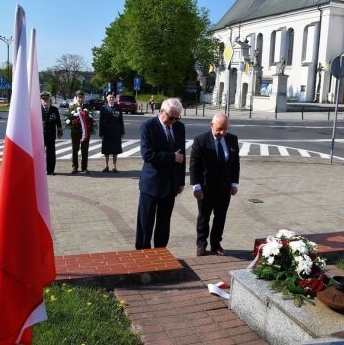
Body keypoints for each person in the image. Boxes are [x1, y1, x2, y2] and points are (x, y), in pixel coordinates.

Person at [135, 98, 185, 250]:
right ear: (161, 111)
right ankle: (143, 253)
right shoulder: (148, 127)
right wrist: (172, 157)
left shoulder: (179, 127)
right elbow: (148, 155)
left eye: (177, 118)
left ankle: (161, 252)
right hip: (151, 184)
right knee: (145, 223)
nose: (174, 121)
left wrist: (181, 181)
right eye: (171, 118)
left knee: (164, 223)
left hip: (170, 184)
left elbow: (182, 156)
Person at [189, 113, 240, 256]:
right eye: (219, 129)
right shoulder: (201, 140)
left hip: (224, 188)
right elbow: (194, 165)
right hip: (205, 188)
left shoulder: (232, 139)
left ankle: (216, 244)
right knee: (204, 217)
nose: (222, 133)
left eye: (225, 129)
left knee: (221, 216)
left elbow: (235, 164)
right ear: (211, 125)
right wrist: (196, 186)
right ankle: (201, 244)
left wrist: (234, 183)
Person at [99, 94, 125, 173]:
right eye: (110, 97)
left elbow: (121, 120)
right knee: (106, 150)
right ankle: (106, 166)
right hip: (106, 132)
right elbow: (101, 121)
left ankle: (114, 167)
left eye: (113, 97)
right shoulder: (103, 108)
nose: (111, 99)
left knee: (115, 150)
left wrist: (122, 131)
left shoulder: (118, 107)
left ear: (115, 99)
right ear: (107, 99)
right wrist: (101, 133)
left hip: (116, 132)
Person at [69, 90, 92, 174]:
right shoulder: (72, 107)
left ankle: (84, 167)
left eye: (82, 97)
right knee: (75, 150)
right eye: (79, 97)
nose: (80, 99)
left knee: (85, 150)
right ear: (76, 97)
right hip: (75, 132)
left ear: (84, 98)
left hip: (85, 132)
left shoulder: (87, 107)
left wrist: (89, 128)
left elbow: (91, 119)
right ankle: (75, 167)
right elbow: (69, 119)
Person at [41, 91, 62, 175]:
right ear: (41, 100)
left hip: (51, 134)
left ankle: (51, 170)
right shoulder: (37, 109)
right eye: (44, 99)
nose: (45, 101)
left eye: (47, 99)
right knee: (40, 153)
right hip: (40, 135)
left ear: (50, 99)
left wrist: (59, 132)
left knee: (51, 153)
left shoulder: (54, 109)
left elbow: (58, 122)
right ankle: (41, 170)